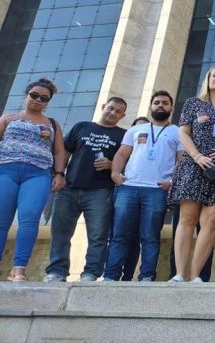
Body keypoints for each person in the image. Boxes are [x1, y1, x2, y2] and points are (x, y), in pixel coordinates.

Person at [169, 65, 215, 282]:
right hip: (195, 166)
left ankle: (195, 276)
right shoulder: (193, 103)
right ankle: (179, 274)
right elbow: (183, 132)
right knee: (187, 219)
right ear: (208, 79)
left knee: (211, 222)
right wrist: (196, 155)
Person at [44, 97, 128, 282]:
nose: (113, 113)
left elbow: (129, 163)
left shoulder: (124, 135)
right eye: (111, 108)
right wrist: (59, 174)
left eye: (118, 111)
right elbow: (64, 152)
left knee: (98, 236)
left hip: (101, 191)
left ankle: (91, 273)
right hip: (69, 188)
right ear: (103, 107)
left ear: (123, 115)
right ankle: (56, 272)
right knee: (61, 233)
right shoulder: (81, 127)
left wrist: (112, 164)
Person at [105, 90, 182, 282]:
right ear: (151, 106)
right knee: (119, 236)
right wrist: (115, 173)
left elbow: (182, 161)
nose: (160, 106)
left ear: (171, 107)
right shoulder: (135, 130)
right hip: (128, 188)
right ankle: (111, 276)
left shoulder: (177, 132)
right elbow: (122, 154)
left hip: (157, 190)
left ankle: (147, 276)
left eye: (165, 102)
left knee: (150, 237)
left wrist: (172, 182)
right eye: (157, 102)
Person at [0, 78, 66, 282]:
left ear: (48, 102)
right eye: (34, 95)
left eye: (44, 98)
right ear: (26, 96)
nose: (38, 100)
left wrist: (59, 173)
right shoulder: (7, 119)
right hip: (6, 171)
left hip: (37, 174)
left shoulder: (52, 124)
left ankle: (19, 269)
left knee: (29, 220)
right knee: (1, 221)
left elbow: (59, 151)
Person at [120, 116, 150, 281]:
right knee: (119, 236)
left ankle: (129, 276)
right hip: (125, 191)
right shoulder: (127, 143)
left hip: (146, 192)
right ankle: (111, 274)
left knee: (138, 239)